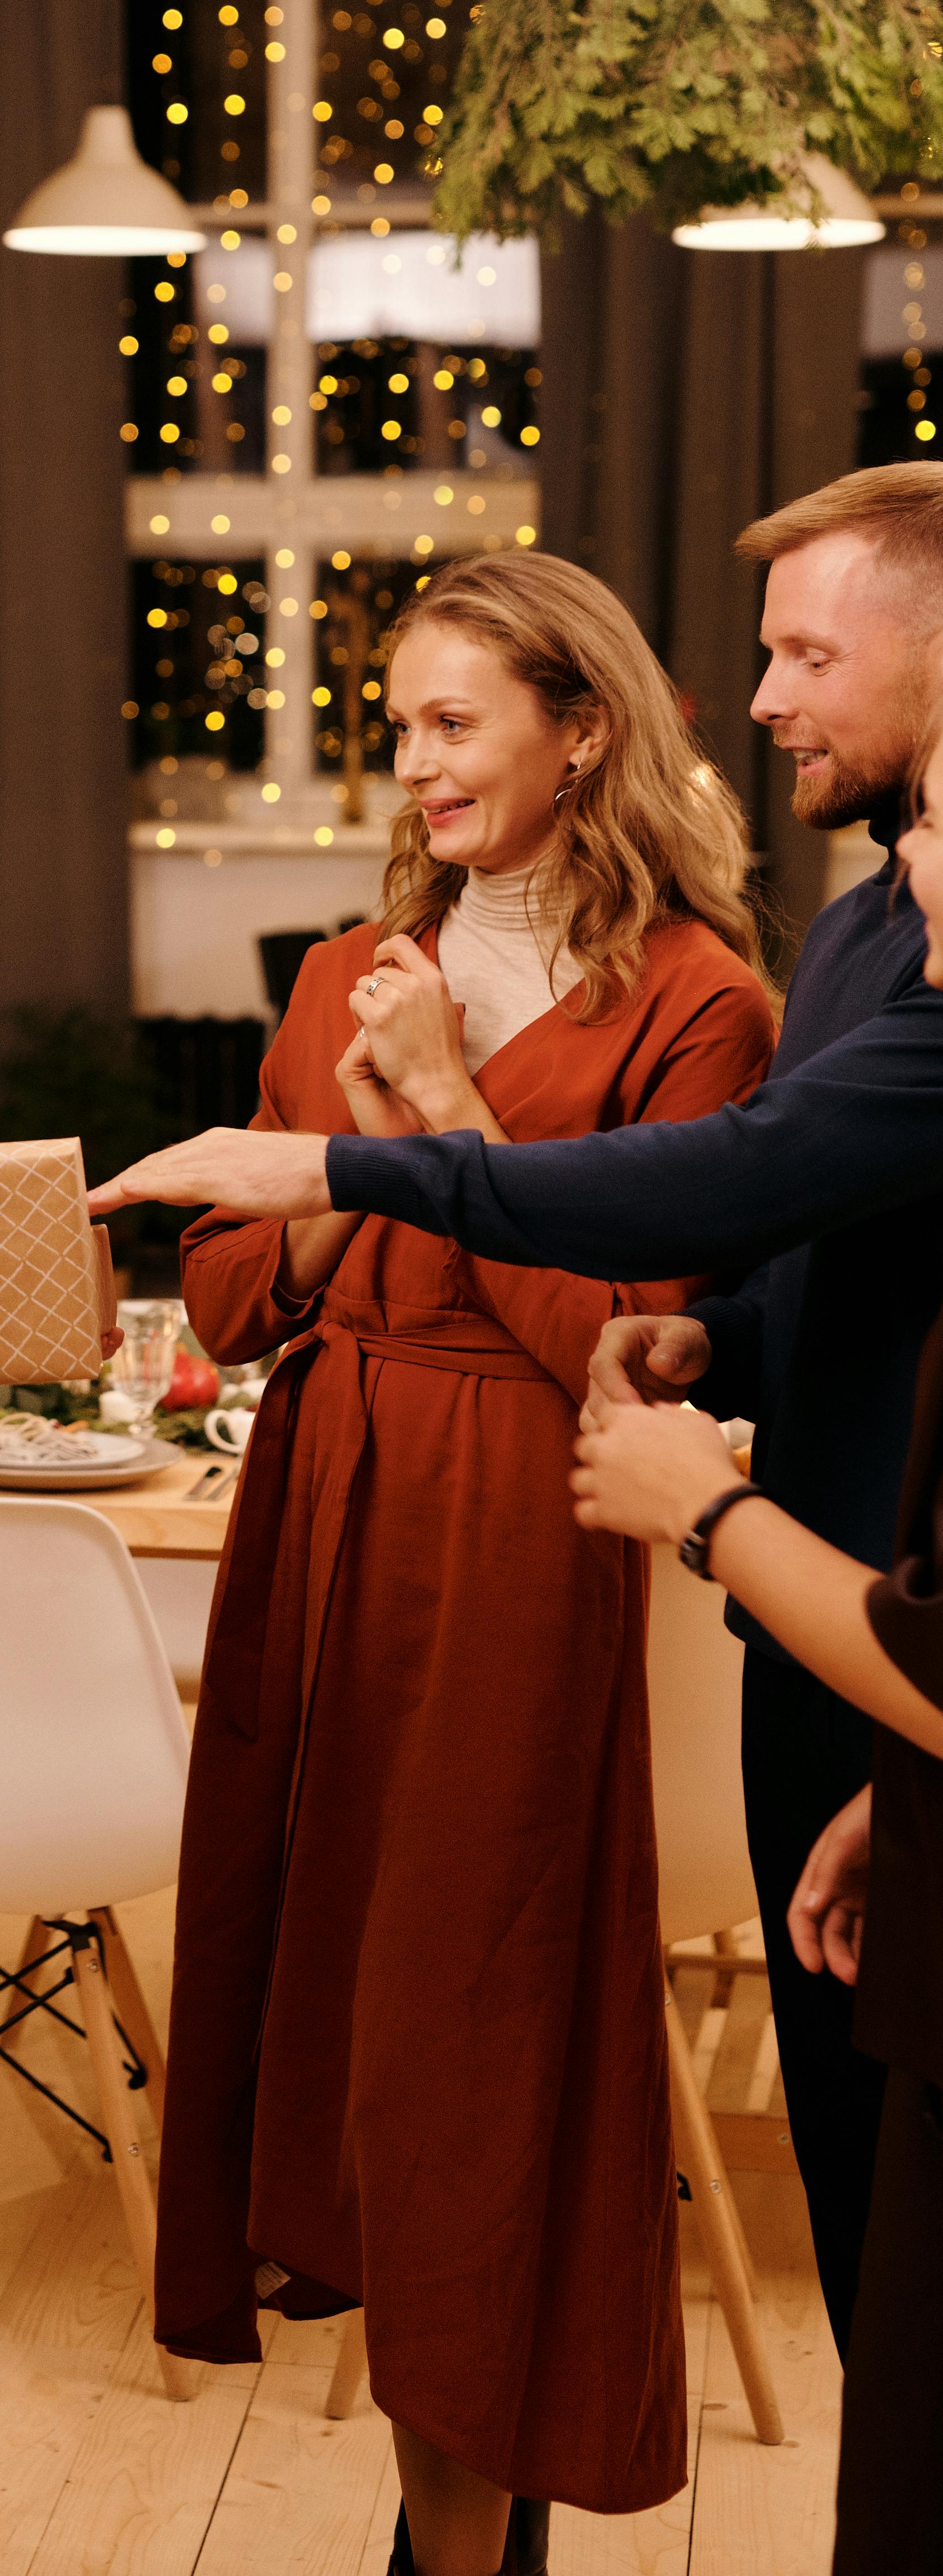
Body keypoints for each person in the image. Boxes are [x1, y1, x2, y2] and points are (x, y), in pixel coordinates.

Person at [96, 464, 943, 2359]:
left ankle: (479, 2399)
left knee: (479, 2003)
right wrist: (352, 1171)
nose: (412, 765)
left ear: (579, 733)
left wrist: (428, 1123)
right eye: (395, 727)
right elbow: (229, 1303)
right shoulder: (352, 972)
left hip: (528, 1525)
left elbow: (636, 1322)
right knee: (305, 1955)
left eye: (451, 723)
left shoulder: (700, 996)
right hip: (324, 1502)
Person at [573, 704, 943, 2574]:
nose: (914, 863)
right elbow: (805, 1261)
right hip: (873, 1718)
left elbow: (722, 1180)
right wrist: (721, 1338)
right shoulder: (872, 935)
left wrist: (702, 1512)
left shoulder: (727, 987)